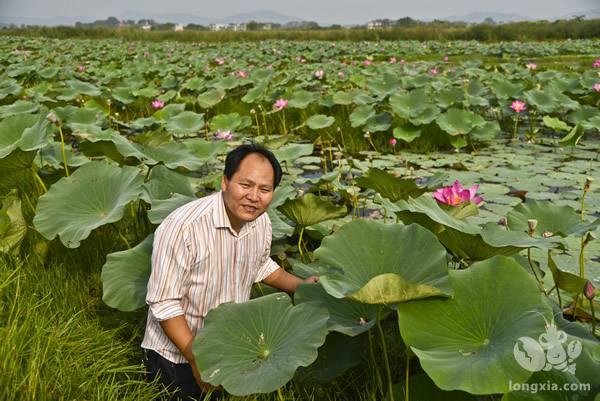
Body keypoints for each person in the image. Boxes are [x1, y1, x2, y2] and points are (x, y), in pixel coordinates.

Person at [141, 143, 318, 400]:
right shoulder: (183, 227)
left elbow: (260, 264)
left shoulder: (260, 221)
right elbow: (165, 302)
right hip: (177, 354)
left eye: (264, 189)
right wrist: (198, 358)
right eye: (245, 185)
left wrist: (301, 287)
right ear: (225, 182)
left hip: (228, 346)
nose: (254, 196)